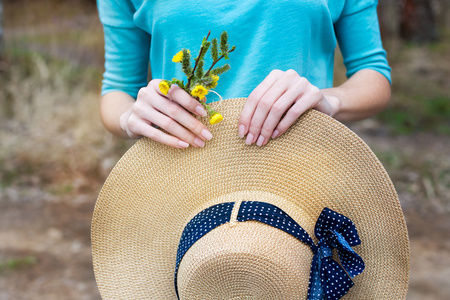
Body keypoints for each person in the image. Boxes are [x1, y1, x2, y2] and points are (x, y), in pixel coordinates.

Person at [97, 0, 391, 149]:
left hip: (302, 172)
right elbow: (118, 88)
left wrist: (331, 100)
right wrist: (130, 117)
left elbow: (372, 73)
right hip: (182, 179)